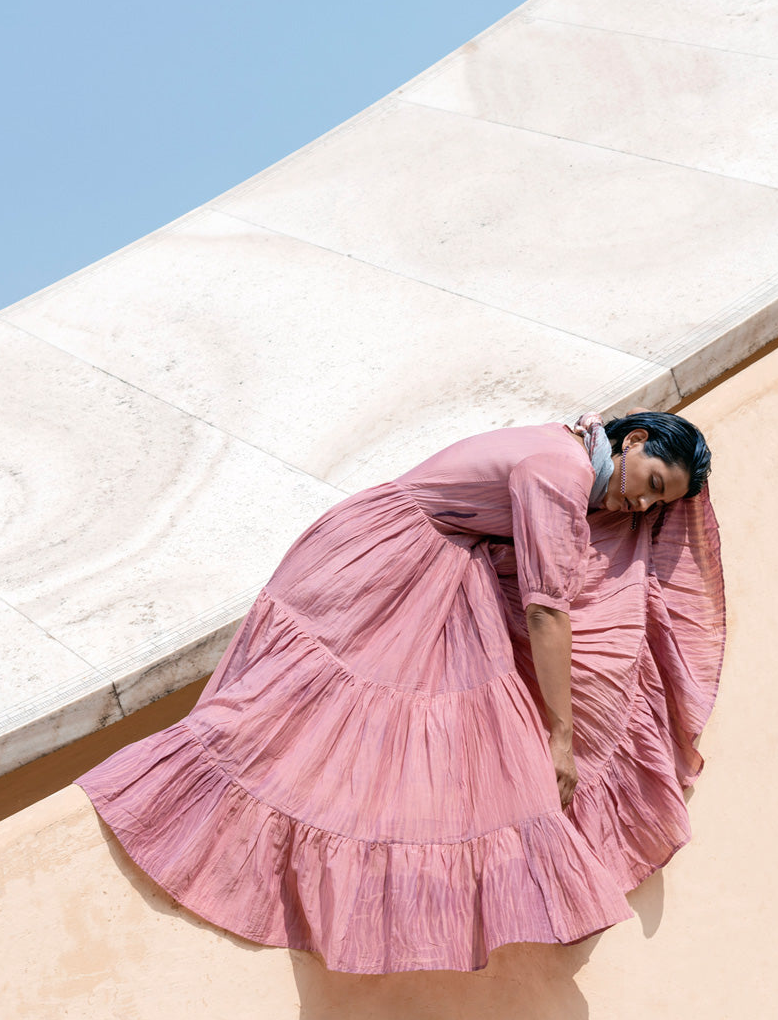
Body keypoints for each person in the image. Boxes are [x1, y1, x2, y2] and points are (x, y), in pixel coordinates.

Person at [76, 411, 724, 974]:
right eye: (653, 486)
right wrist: (560, 735)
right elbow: (547, 608)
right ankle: (165, 806)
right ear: (634, 441)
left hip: (415, 559)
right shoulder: (560, 472)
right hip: (381, 560)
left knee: (374, 739)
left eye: (657, 505)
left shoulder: (571, 454)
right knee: (289, 712)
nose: (642, 507)